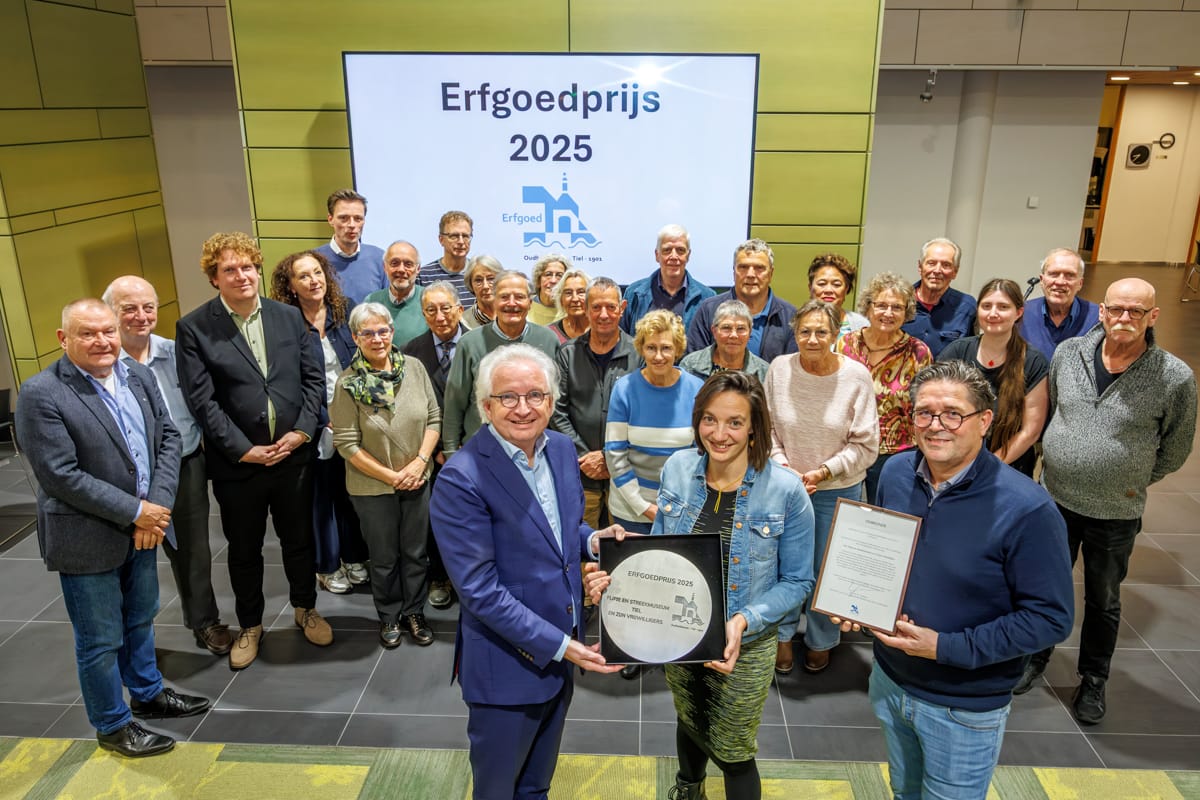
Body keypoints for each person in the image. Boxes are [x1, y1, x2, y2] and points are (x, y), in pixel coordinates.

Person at [586, 371, 815, 800]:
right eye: (709, 419)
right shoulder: (678, 469)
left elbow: (798, 580)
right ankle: (689, 789)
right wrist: (624, 559)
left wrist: (744, 620)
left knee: (734, 750)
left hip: (744, 648)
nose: (719, 434)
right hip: (679, 634)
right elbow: (663, 552)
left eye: (734, 422)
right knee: (689, 718)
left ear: (754, 427)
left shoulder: (786, 491)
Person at [854, 360, 1074, 799]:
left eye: (953, 414)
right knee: (904, 792)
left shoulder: (1027, 509)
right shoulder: (895, 473)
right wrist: (856, 601)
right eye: (924, 413)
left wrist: (945, 647)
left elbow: (1050, 618)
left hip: (963, 706)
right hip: (890, 680)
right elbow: (887, 559)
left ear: (984, 421)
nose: (936, 426)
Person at [430, 344, 625, 800]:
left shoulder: (560, 448)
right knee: (499, 790)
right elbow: (480, 591)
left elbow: (560, 528)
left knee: (536, 786)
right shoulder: (462, 478)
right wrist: (563, 647)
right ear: (485, 406)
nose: (523, 408)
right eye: (508, 397)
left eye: (535, 395)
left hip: (561, 653)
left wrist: (593, 541)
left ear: (551, 402)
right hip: (507, 666)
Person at [16, 299, 208, 758]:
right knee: (100, 639)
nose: (102, 341)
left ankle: (148, 693)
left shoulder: (136, 375)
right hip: (87, 535)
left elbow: (168, 437)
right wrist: (136, 512)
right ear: (63, 339)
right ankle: (112, 724)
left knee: (140, 618)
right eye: (88, 333)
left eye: (108, 331)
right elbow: (61, 476)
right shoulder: (41, 393)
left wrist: (156, 508)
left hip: (144, 526)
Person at [1021, 278, 1196, 723]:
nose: (1124, 318)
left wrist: (1130, 478)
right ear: (1101, 311)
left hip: (1116, 510)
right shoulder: (1069, 354)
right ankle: (1035, 657)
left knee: (1103, 599)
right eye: (1116, 308)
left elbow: (1176, 447)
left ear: (1153, 317)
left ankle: (1094, 678)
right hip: (1055, 498)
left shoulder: (1173, 376)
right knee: (1045, 585)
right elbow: (1055, 412)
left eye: (1136, 311)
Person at [176, 232, 331, 671]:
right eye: (230, 269)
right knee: (244, 550)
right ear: (214, 278)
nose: (241, 276)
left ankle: (305, 608)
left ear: (258, 270)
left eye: (247, 267)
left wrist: (301, 433)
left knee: (299, 541)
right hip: (238, 464)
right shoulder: (195, 328)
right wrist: (243, 450)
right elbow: (202, 401)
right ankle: (250, 625)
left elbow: (313, 380)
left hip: (292, 456)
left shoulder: (289, 316)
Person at [103, 276, 232, 655]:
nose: (141, 316)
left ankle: (204, 620)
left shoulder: (178, 354)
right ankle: (132, 638)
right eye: (129, 308)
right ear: (110, 312)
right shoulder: (103, 363)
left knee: (194, 551)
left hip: (185, 466)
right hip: (128, 476)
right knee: (131, 557)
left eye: (148, 307)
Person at [764, 300, 878, 674]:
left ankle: (821, 639)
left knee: (828, 569)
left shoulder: (856, 376)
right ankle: (781, 635)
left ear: (835, 335)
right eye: (805, 331)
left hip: (837, 488)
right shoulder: (779, 369)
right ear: (795, 333)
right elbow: (768, 430)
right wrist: (785, 470)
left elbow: (866, 444)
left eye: (821, 332)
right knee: (782, 565)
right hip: (785, 486)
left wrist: (823, 473)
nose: (812, 339)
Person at [332, 302, 441, 649]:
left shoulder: (415, 368)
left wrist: (420, 462)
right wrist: (391, 477)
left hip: (417, 478)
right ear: (355, 338)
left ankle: (414, 612)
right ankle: (389, 614)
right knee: (383, 557)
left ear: (392, 332)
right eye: (368, 333)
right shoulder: (347, 384)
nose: (377, 339)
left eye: (383, 331)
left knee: (416, 552)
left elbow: (434, 418)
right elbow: (346, 443)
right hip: (371, 486)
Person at [269, 250, 369, 594]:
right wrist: (325, 419)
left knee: (349, 491)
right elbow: (288, 380)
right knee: (321, 498)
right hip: (312, 422)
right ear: (290, 285)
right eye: (304, 276)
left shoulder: (346, 310)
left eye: (317, 272)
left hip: (352, 416)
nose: (314, 281)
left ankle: (354, 556)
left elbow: (360, 363)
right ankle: (327, 565)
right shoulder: (285, 322)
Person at [605, 309, 705, 535]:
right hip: (630, 510)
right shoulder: (624, 389)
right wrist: (644, 507)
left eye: (666, 348)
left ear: (677, 349)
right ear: (641, 348)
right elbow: (615, 454)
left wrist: (678, 506)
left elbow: (700, 454)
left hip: (682, 508)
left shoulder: (696, 389)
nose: (658, 356)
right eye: (651, 348)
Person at [552, 277, 640, 528]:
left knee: (624, 544)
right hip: (580, 473)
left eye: (611, 307)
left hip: (626, 474)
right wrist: (585, 456)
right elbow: (556, 411)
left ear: (622, 308)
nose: (603, 315)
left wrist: (608, 457)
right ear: (586, 308)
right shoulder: (568, 354)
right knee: (581, 543)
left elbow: (644, 414)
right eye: (596, 307)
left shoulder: (639, 354)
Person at [400, 281, 467, 610]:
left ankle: (472, 579)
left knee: (473, 518)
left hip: (472, 450)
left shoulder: (478, 344)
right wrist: (436, 449)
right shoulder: (410, 351)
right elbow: (410, 406)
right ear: (423, 314)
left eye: (446, 308)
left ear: (460, 309)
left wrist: (461, 447)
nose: (440, 316)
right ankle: (439, 577)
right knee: (436, 519)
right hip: (430, 454)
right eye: (431, 310)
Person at [838, 272, 933, 503]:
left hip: (895, 454)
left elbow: (927, 405)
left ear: (906, 312)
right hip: (847, 447)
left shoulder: (918, 352)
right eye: (881, 305)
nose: (888, 313)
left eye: (897, 307)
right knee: (842, 514)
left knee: (884, 516)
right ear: (868, 307)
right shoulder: (846, 344)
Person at [938, 279, 1049, 478]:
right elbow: (937, 409)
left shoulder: (1033, 362)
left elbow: (1030, 431)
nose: (993, 313)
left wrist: (986, 467)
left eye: (1003, 307)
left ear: (1018, 313)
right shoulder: (956, 351)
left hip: (1006, 469)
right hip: (953, 463)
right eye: (986, 306)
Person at [441, 271, 560, 454]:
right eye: (504, 297)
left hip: (535, 450)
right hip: (482, 451)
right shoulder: (470, 343)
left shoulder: (548, 339)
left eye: (519, 297)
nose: (511, 303)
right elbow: (454, 403)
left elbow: (554, 401)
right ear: (494, 301)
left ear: (530, 302)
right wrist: (451, 452)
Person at [686, 239, 798, 362]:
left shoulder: (789, 317)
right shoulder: (709, 310)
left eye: (759, 268)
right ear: (734, 272)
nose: (750, 274)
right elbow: (694, 363)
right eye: (743, 267)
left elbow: (792, 367)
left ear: (771, 273)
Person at [620, 224, 715, 334]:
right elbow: (622, 340)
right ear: (657, 255)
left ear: (688, 255)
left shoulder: (707, 298)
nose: (674, 256)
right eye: (667, 250)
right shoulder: (634, 294)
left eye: (680, 250)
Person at [901, 237, 976, 358]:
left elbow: (971, 353)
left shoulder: (967, 307)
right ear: (920, 267)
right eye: (931, 263)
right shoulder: (899, 301)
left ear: (955, 272)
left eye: (946, 265)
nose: (937, 270)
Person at [1021, 248, 1100, 360]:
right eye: (1054, 274)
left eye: (1070, 275)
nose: (1060, 282)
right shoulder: (1021, 314)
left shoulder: (1097, 318)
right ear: (1042, 280)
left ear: (1080, 283)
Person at [314, 188, 386, 306]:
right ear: (330, 219)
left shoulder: (379, 258)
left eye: (358, 219)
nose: (352, 225)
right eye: (344, 218)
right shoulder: (313, 260)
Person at [679, 299, 769, 382]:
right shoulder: (690, 366)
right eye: (726, 328)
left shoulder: (764, 372)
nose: (734, 335)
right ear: (714, 331)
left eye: (741, 328)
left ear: (750, 332)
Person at [363, 240, 428, 346]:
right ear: (385, 267)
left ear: (418, 269)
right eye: (394, 263)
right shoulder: (371, 302)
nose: (401, 269)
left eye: (408, 264)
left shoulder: (429, 299)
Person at [417, 210, 475, 305]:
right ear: (441, 240)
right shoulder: (423, 276)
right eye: (454, 236)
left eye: (465, 236)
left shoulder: (478, 274)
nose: (461, 241)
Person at [807, 253, 868, 338]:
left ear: (846, 288)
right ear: (810, 287)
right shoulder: (795, 322)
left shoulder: (862, 325)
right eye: (822, 284)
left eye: (836, 284)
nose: (828, 290)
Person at [547, 267, 591, 344]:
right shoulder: (549, 334)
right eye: (568, 293)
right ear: (560, 299)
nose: (575, 299)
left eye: (581, 292)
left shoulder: (603, 329)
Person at [461, 254, 502, 330]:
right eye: (478, 280)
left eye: (491, 279)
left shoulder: (514, 315)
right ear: (471, 284)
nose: (485, 286)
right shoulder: (463, 322)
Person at [529, 253, 568, 326]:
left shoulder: (571, 311)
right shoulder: (525, 308)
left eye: (559, 275)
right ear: (538, 281)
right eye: (548, 274)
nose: (553, 281)